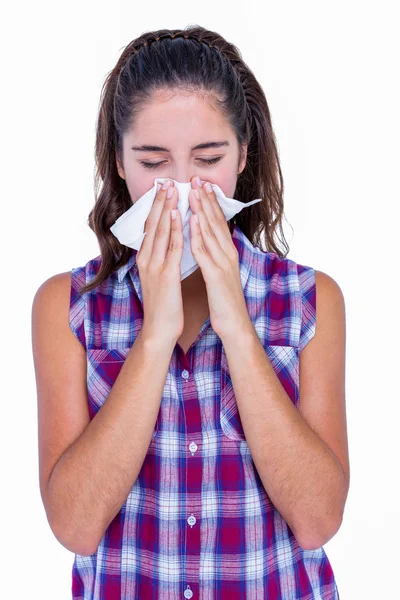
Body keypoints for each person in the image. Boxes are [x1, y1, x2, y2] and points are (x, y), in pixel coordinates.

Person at [31, 24, 349, 599]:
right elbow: (75, 526)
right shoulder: (69, 308)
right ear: (120, 164)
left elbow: (318, 519)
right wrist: (157, 334)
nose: (180, 187)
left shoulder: (309, 299)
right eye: (153, 162)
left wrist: (234, 321)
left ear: (243, 156)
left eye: (208, 158)